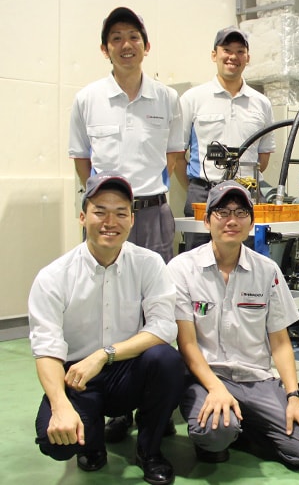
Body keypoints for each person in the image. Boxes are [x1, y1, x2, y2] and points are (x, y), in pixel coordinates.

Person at [28, 172, 184, 485]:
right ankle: (92, 443)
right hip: (78, 378)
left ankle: (149, 450)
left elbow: (163, 327)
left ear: (131, 220)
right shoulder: (53, 276)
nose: (110, 221)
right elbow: (46, 349)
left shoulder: (149, 264)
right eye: (100, 211)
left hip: (125, 369)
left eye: (120, 213)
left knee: (167, 360)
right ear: (83, 216)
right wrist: (60, 406)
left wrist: (104, 354)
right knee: (57, 442)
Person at [168, 180, 299, 467]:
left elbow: (280, 342)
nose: (232, 220)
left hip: (257, 380)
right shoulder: (182, 269)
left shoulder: (267, 271)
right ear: (206, 221)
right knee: (214, 435)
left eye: (241, 213)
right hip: (207, 378)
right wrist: (216, 389)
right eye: (222, 212)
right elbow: (186, 344)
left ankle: (244, 425)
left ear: (251, 222)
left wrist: (293, 397)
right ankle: (225, 430)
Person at [69, 6, 184, 263]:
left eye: (133, 36)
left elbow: (173, 156)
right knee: (101, 287)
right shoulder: (87, 99)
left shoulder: (167, 98)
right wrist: (104, 199)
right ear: (104, 49)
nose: (126, 45)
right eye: (116, 38)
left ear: (147, 46)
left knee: (157, 293)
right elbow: (81, 160)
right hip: (106, 215)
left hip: (154, 214)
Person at [174, 26, 276, 251]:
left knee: (244, 261)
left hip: (245, 195)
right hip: (202, 193)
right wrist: (197, 185)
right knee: (197, 263)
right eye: (227, 50)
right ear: (214, 55)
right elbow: (176, 153)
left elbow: (264, 155)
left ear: (247, 58)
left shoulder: (261, 104)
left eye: (240, 51)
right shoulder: (193, 99)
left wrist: (244, 183)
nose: (233, 57)